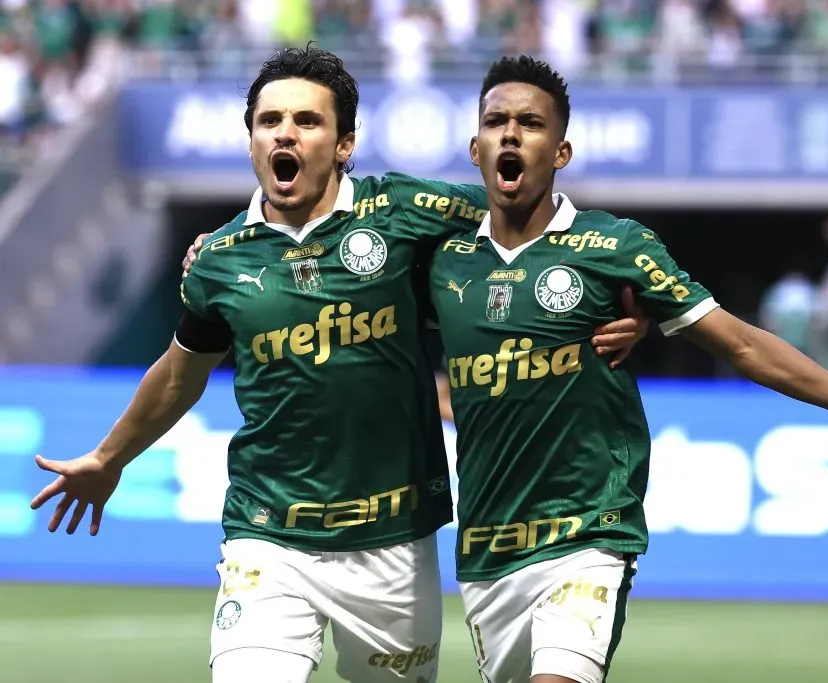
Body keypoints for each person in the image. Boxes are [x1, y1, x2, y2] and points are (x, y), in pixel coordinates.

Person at [28, 46, 646, 683]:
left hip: (395, 545)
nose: (285, 133)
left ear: (345, 143)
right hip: (268, 535)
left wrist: (631, 306)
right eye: (270, 121)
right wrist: (109, 458)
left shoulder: (409, 213)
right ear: (250, 142)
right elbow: (181, 372)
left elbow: (537, 227)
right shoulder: (220, 262)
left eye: (307, 121)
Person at [426, 55, 828, 683]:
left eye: (531, 123)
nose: (512, 134)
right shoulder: (443, 252)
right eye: (497, 122)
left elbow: (741, 345)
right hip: (487, 548)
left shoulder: (615, 249)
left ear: (563, 150)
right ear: (475, 147)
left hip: (586, 535)